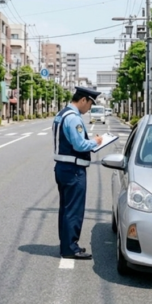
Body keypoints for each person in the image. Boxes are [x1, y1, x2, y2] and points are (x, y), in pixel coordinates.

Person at [52, 86, 104, 260]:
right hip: (73, 170)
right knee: (73, 209)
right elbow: (79, 145)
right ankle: (70, 248)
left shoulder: (61, 114)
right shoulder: (73, 118)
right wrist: (96, 142)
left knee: (65, 209)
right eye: (89, 104)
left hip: (62, 168)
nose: (89, 108)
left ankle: (66, 245)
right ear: (83, 100)